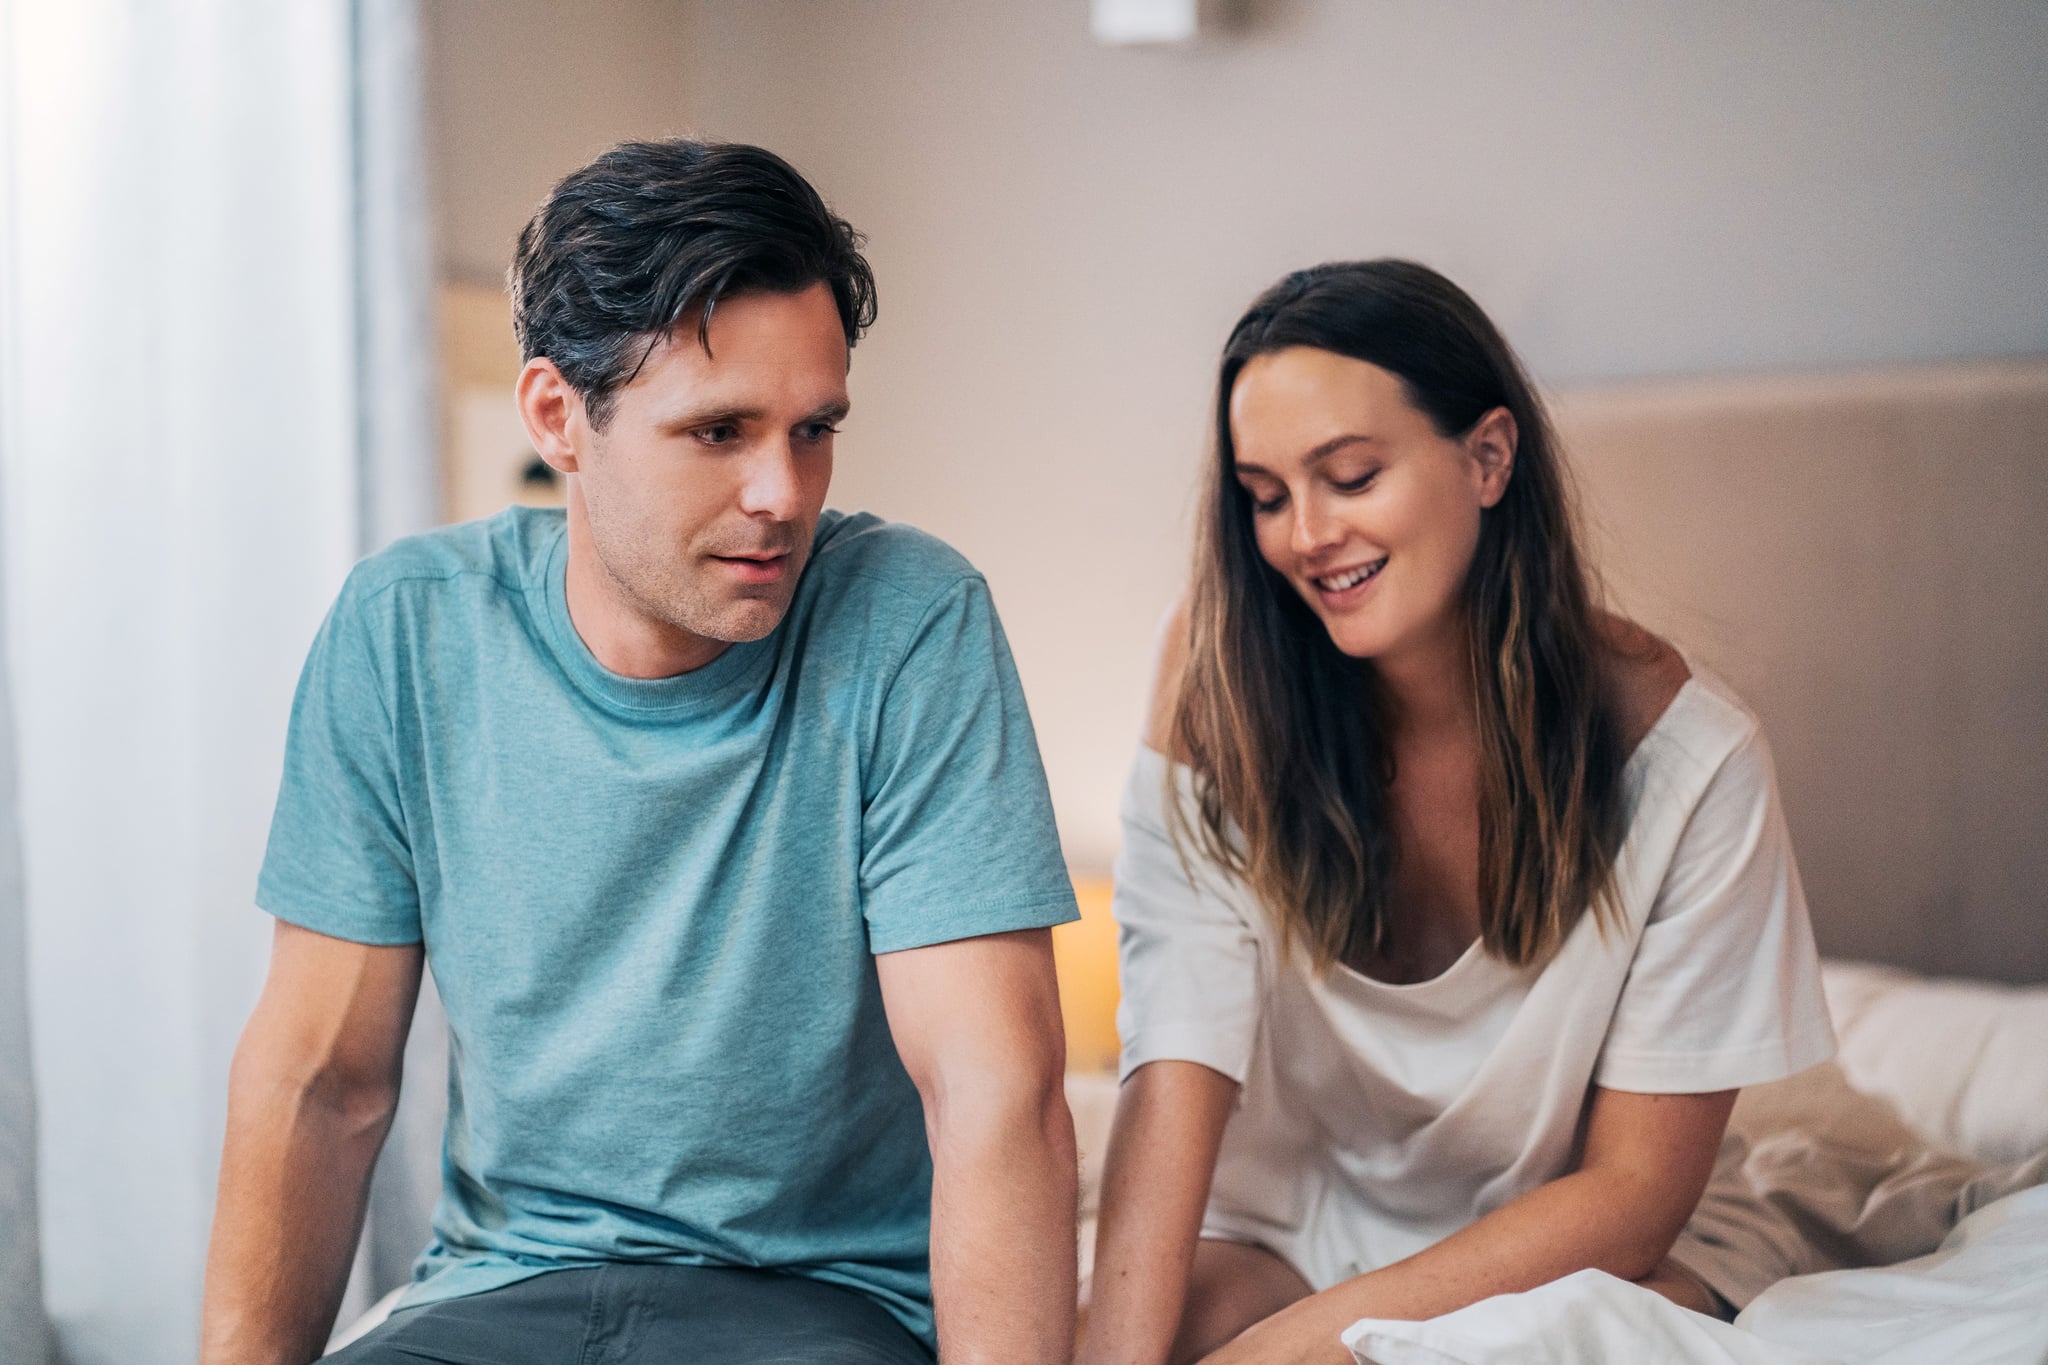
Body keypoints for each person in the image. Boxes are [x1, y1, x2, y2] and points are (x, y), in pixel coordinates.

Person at [199, 139, 1080, 1365]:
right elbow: (320, 1080)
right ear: (559, 416)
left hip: (819, 1311)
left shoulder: (908, 622)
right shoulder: (406, 628)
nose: (783, 492)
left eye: (813, 428)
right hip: (498, 1301)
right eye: (719, 431)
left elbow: (996, 1096)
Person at [1078, 260, 1835, 1365]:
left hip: (1572, 1241)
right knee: (1030, 1331)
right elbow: (1175, 1058)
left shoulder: (1686, 760)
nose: (1302, 535)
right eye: (1266, 495)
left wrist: (1287, 1353)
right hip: (1298, 1218)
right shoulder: (1221, 683)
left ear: (1486, 457)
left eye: (1347, 475)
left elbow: (1628, 1194)